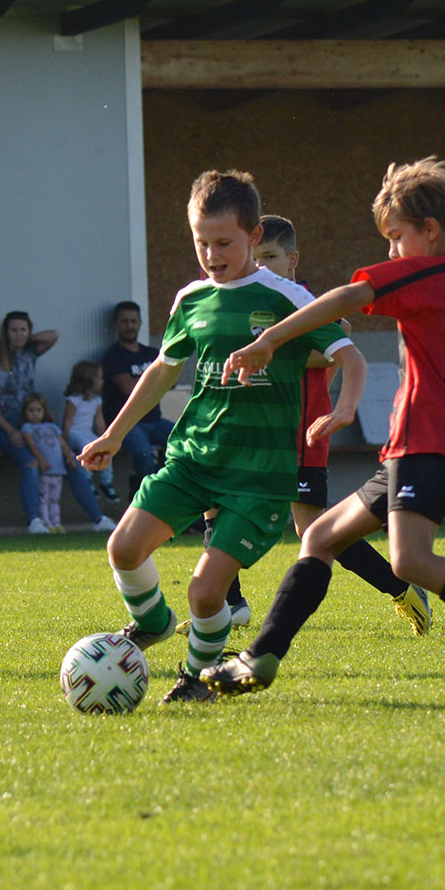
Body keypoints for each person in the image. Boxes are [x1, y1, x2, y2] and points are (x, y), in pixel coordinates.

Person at [202, 158, 445, 709]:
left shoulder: (427, 272)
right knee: (318, 537)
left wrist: (271, 338)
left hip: (424, 444)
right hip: (429, 451)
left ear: (428, 231)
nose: (391, 252)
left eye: (395, 237)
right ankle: (261, 656)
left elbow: (347, 297)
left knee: (409, 562)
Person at [79, 170, 366, 706]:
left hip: (258, 477)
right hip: (193, 458)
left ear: (255, 237)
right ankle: (156, 624)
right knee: (123, 547)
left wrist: (345, 406)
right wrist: (115, 434)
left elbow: (349, 354)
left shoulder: (288, 296)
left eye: (224, 242)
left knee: (207, 592)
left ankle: (196, 678)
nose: (211, 254)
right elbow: (163, 370)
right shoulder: (191, 299)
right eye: (200, 242)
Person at [232, 214, 428, 634]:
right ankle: (226, 605)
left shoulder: (301, 301)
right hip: (262, 432)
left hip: (302, 435)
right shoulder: (256, 301)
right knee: (219, 499)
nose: (261, 266)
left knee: (314, 530)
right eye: (256, 257)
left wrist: (313, 389)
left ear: (292, 260)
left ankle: (400, 587)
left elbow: (336, 343)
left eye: (270, 256)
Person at [0, 310, 106, 534]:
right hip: (5, 425)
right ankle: (34, 521)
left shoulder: (29, 355)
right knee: (30, 463)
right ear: (5, 333)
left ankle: (98, 519)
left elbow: (53, 335)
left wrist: (26, 340)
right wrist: (11, 431)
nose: (18, 334)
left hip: (32, 421)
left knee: (68, 458)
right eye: (13, 330)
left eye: (23, 329)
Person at [99, 301, 172, 490]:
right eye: (124, 321)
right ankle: (146, 493)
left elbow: (170, 382)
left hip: (156, 420)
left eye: (133, 321)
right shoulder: (113, 356)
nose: (129, 326)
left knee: (182, 441)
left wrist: (152, 382)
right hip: (129, 423)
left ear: (140, 324)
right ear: (115, 324)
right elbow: (128, 389)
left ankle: (163, 485)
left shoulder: (152, 353)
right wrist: (155, 381)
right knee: (144, 453)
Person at [19, 393, 73, 533]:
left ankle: (56, 522)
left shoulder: (52, 427)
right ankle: (45, 522)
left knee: (55, 499)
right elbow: (32, 445)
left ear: (44, 411)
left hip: (58, 470)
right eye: (31, 410)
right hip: (45, 471)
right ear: (25, 412)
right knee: (43, 498)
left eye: (38, 410)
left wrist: (71, 457)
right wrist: (41, 460)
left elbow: (63, 444)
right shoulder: (27, 428)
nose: (35, 414)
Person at [62, 360, 114, 500]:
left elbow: (99, 421)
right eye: (99, 378)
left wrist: (105, 439)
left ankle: (106, 482)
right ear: (88, 380)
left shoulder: (96, 400)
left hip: (87, 433)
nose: (102, 381)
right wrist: (65, 446)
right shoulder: (73, 400)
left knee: (104, 448)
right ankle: (88, 481)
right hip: (74, 433)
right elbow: (66, 423)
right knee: (86, 447)